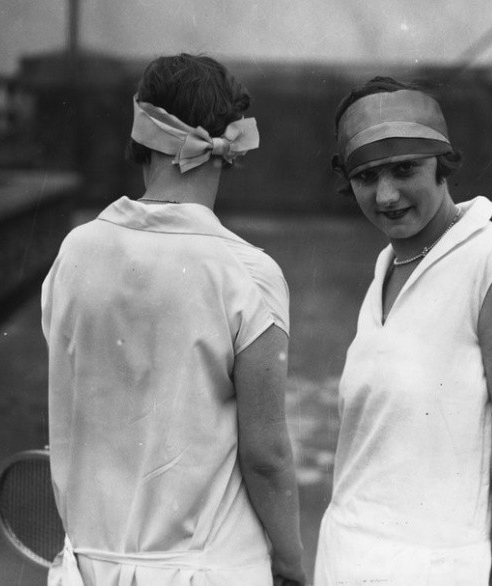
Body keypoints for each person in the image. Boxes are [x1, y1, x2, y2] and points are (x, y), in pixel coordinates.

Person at [41, 53, 307, 586]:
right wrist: (291, 561)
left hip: (87, 568)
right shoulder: (249, 273)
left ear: (140, 138)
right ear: (229, 147)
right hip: (207, 570)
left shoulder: (74, 252)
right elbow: (267, 455)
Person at [314, 77, 492, 586]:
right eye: (366, 176)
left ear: (441, 163)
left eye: (404, 169)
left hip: (438, 566)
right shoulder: (387, 265)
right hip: (346, 555)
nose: (386, 195)